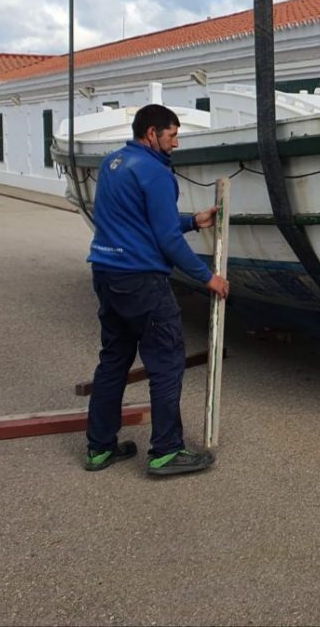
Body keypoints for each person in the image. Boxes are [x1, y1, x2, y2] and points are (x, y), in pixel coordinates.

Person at [84, 103, 230, 475]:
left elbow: (138, 221)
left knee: (113, 360)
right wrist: (206, 276)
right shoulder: (155, 172)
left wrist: (194, 221)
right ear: (152, 134)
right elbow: (165, 239)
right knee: (166, 361)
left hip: (106, 273)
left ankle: (99, 448)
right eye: (172, 135)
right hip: (142, 281)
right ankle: (166, 451)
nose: (176, 143)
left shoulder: (113, 164)